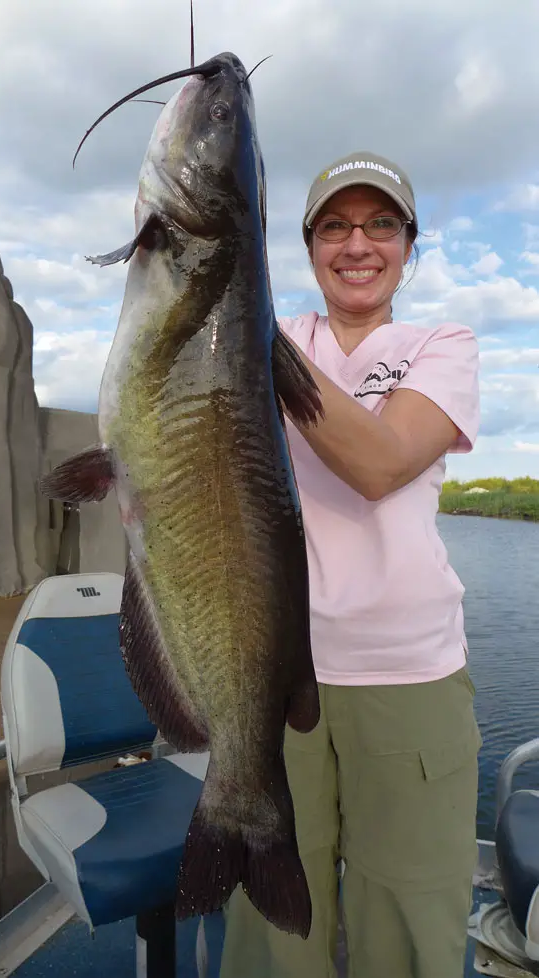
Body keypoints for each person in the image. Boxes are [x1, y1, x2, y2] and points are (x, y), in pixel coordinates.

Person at [219, 150, 482, 978]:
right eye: (334, 225)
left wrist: (242, 321)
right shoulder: (265, 333)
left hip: (409, 675)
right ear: (304, 245)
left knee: (409, 918)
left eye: (380, 225)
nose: (357, 244)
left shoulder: (441, 344)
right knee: (272, 931)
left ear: (410, 244)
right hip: (266, 674)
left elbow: (379, 465)